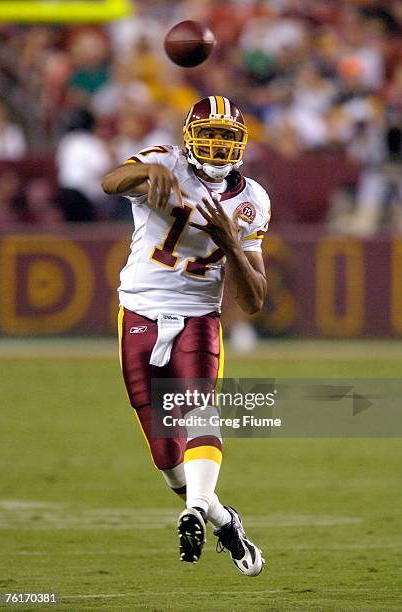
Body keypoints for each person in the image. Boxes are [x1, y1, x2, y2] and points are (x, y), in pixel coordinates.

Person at [101, 96, 270, 576]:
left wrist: (231, 243)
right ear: (189, 137)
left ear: (240, 144)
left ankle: (195, 510)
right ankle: (221, 517)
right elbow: (109, 182)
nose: (217, 145)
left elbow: (254, 299)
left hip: (199, 315)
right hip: (140, 309)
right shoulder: (164, 161)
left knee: (200, 407)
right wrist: (142, 175)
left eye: (226, 136)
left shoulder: (251, 201)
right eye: (209, 135)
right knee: (166, 457)